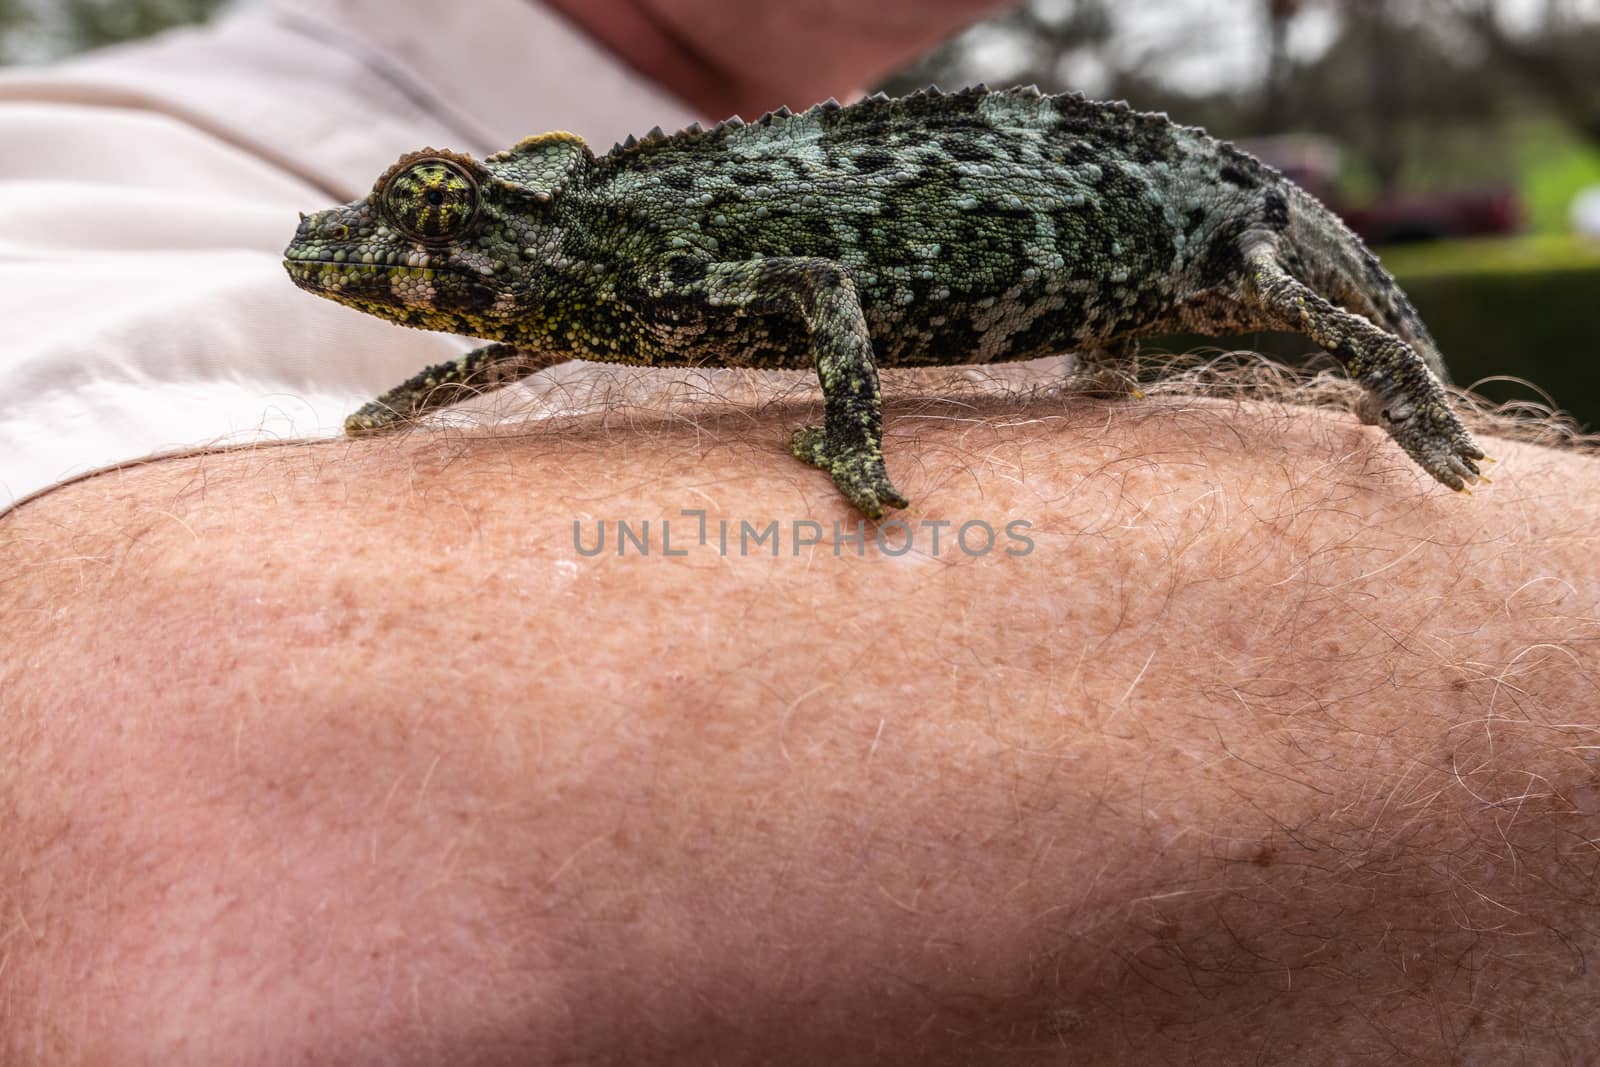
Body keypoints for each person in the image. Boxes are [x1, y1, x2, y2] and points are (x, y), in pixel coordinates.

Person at [3, 2, 1598, 1063]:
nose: (401, 257)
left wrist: (848, 426)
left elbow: (805, 288)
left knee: (1327, 321)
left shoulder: (643, 211)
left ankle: (1405, 399)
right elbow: (182, 829)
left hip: (1182, 219)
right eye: (426, 226)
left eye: (430, 231)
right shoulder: (105, 137)